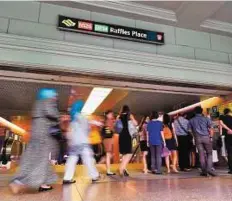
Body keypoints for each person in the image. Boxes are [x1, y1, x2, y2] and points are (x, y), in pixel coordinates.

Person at [10, 88, 60, 194]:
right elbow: (52, 114)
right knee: (40, 159)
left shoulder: (38, 103)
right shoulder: (47, 101)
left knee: (38, 157)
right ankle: (18, 182)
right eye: (54, 95)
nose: (55, 97)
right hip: (43, 133)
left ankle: (43, 183)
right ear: (49, 95)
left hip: (37, 131)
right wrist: (59, 117)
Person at [63, 100, 100, 184]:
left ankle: (67, 178)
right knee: (88, 159)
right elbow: (87, 129)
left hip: (73, 143)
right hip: (83, 142)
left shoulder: (72, 119)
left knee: (71, 160)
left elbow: (69, 133)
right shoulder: (81, 117)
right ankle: (95, 176)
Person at [188, 106, 216, 177]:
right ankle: (209, 169)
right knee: (209, 153)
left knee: (201, 154)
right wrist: (211, 137)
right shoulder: (206, 119)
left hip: (197, 138)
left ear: (194, 112)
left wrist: (194, 135)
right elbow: (211, 128)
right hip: (206, 137)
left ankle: (204, 171)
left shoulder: (191, 120)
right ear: (202, 111)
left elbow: (189, 130)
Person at [118, 105, 138, 177]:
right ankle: (121, 168)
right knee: (129, 153)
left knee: (124, 153)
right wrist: (132, 118)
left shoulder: (119, 116)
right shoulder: (129, 115)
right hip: (128, 135)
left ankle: (124, 169)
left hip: (121, 136)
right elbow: (136, 124)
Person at [101, 110, 116, 176]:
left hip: (106, 139)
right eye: (110, 114)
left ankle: (107, 168)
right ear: (107, 115)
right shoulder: (109, 121)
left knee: (109, 154)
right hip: (108, 139)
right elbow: (112, 130)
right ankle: (108, 170)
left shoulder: (105, 121)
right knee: (108, 155)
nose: (112, 115)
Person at [219, 108, 232, 174]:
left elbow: (221, 124)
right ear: (229, 112)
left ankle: (231, 169)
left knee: (229, 153)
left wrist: (228, 129)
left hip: (227, 137)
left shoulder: (222, 117)